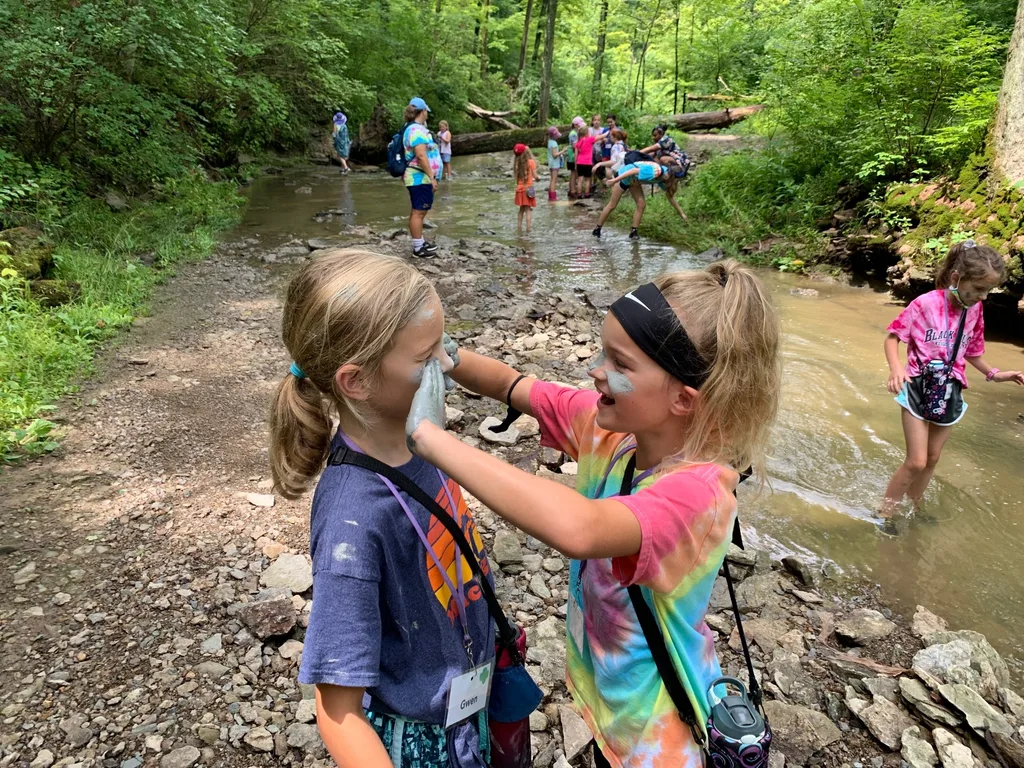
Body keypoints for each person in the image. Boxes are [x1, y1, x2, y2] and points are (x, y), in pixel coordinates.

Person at [404, 260, 782, 768]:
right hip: (609, 700)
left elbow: (580, 529)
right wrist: (448, 359)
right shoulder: (611, 427)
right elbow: (516, 386)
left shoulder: (699, 494)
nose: (595, 370)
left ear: (684, 399)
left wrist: (430, 438)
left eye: (620, 364)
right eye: (603, 351)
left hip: (656, 730)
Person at [271, 249, 493, 768]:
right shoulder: (354, 515)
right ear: (358, 381)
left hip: (467, 704)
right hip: (420, 742)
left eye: (445, 345)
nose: (446, 365)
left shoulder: (426, 443)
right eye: (426, 357)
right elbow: (337, 707)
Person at [880, 240, 1023, 519]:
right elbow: (893, 336)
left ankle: (914, 508)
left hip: (950, 388)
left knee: (932, 459)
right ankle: (885, 513)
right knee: (916, 461)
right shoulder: (925, 304)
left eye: (988, 291)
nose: (982, 297)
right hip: (917, 385)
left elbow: (971, 351)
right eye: (979, 289)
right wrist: (896, 368)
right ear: (957, 278)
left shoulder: (975, 310)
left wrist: (995, 374)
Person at [592, 159, 687, 239]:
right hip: (625, 176)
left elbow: (670, 197)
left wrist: (681, 213)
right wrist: (615, 180)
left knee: (641, 204)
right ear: (674, 177)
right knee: (612, 205)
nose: (677, 183)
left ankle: (634, 232)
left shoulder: (665, 178)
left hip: (634, 181)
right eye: (677, 181)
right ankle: (597, 229)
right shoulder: (657, 172)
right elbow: (633, 171)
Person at [403, 97, 442, 258]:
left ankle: (420, 242)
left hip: (419, 177)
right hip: (420, 177)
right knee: (418, 212)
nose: (427, 114)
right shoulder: (416, 130)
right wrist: (431, 176)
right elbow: (420, 155)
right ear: (423, 111)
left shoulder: (413, 128)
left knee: (419, 211)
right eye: (426, 111)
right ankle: (418, 248)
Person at [513, 143, 539, 233]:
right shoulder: (531, 162)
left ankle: (519, 228)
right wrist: (538, 179)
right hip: (529, 189)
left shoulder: (516, 163)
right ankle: (528, 229)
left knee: (521, 209)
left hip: (520, 189)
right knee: (528, 209)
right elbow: (535, 176)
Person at [573, 130, 598, 199]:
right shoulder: (590, 139)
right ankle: (587, 193)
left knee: (580, 179)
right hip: (588, 163)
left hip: (579, 163)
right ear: (587, 133)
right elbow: (599, 137)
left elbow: (576, 155)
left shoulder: (578, 142)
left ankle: (579, 194)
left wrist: (575, 164)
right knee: (588, 179)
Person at [567, 116, 585, 199]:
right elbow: (575, 146)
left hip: (574, 155)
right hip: (572, 156)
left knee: (574, 173)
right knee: (574, 173)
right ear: (575, 125)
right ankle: (573, 190)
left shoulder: (575, 133)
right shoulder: (573, 134)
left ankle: (571, 189)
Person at [546, 127, 564, 201]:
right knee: (554, 180)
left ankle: (550, 196)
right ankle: (553, 197)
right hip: (555, 164)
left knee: (552, 180)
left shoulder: (549, 141)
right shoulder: (554, 143)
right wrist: (562, 151)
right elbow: (554, 155)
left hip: (551, 163)